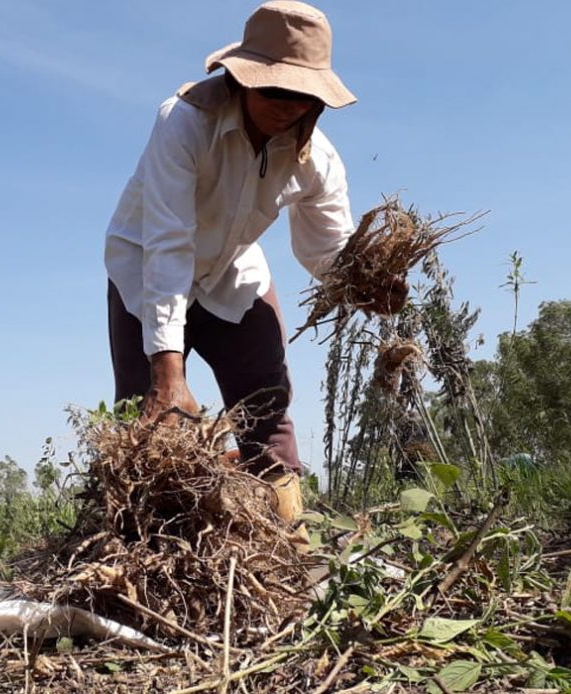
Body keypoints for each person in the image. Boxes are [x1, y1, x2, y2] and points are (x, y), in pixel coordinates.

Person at [104, 1, 406, 523]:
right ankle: (155, 543)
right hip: (147, 270)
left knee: (268, 406)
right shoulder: (185, 123)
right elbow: (170, 243)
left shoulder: (320, 161)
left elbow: (324, 247)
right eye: (274, 89)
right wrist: (168, 373)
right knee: (151, 417)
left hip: (234, 276)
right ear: (242, 81)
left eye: (303, 95)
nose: (288, 105)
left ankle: (283, 540)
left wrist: (361, 283)